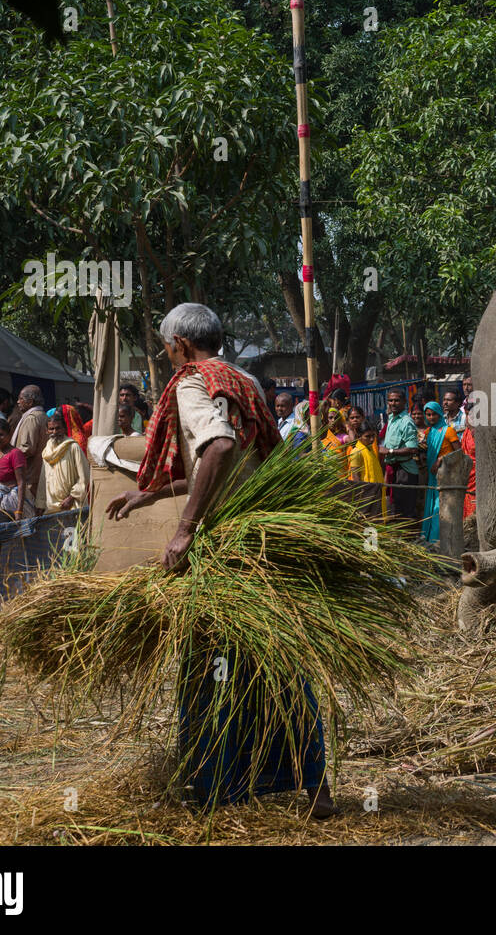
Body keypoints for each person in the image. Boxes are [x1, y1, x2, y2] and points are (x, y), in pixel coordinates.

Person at [104, 303, 330, 813]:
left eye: (166, 348)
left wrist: (185, 530)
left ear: (181, 344)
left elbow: (220, 448)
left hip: (223, 547)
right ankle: (316, 790)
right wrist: (153, 494)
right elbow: (229, 460)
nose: (167, 358)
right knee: (280, 666)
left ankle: (215, 793)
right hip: (263, 539)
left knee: (210, 667)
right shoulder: (242, 380)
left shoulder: (191, 381)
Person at [419, 401, 460, 544]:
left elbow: (459, 452)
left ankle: (440, 537)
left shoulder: (448, 431)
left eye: (434, 414)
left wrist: (441, 459)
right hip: (432, 474)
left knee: (441, 505)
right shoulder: (428, 432)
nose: (431, 417)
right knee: (431, 503)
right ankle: (429, 537)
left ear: (439, 414)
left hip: (445, 474)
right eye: (428, 415)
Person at [379, 388, 421, 522]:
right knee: (395, 507)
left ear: (404, 402)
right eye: (390, 400)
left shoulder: (406, 421)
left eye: (397, 400)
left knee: (406, 510)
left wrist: (390, 451)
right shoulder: (391, 418)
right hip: (393, 469)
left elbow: (413, 448)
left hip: (405, 471)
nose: (393, 403)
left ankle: (408, 539)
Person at [40, 410, 91, 511]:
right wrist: (40, 503)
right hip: (51, 506)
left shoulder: (73, 447)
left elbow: (84, 476)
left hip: (72, 504)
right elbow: (43, 479)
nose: (55, 432)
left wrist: (72, 497)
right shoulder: (47, 451)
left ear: (64, 429)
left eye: (58, 428)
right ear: (47, 431)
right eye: (51, 429)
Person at [0, 418, 31, 522]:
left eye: (1, 435)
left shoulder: (15, 453)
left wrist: (19, 511)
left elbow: (21, 483)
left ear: (9, 435)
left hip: (11, 503)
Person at [12, 385, 48, 514]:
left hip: (31, 475)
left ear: (30, 402)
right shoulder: (42, 415)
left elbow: (27, 449)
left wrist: (8, 457)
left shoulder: (31, 418)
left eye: (21, 399)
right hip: (40, 473)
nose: (18, 402)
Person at [347, 420, 386, 518]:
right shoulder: (356, 452)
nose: (372, 439)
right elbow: (356, 477)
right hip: (366, 494)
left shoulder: (370, 450)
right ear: (359, 436)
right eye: (367, 436)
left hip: (375, 491)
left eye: (373, 436)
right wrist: (363, 497)